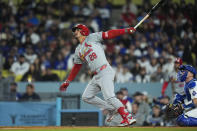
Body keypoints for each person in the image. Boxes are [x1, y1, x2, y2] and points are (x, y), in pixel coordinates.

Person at [60, 24, 136, 126]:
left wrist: (125, 30)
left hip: (105, 71)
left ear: (83, 31)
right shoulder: (78, 49)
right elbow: (76, 67)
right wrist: (67, 81)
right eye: (75, 30)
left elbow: (109, 34)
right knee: (86, 97)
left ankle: (128, 116)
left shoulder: (92, 37)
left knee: (109, 97)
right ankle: (112, 108)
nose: (75, 32)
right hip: (96, 75)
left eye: (77, 30)